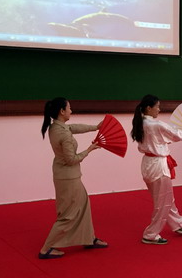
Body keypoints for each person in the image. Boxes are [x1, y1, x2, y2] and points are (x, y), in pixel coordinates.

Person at [38, 97, 108, 259]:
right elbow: (71, 160)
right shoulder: (64, 134)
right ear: (62, 111)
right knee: (68, 214)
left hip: (65, 174)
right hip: (68, 177)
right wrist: (90, 149)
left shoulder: (56, 127)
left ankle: (88, 238)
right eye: (69, 108)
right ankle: (46, 249)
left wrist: (95, 127)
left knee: (83, 204)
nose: (71, 110)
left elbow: (74, 127)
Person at [131, 94, 182, 245]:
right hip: (159, 166)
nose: (159, 110)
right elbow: (176, 134)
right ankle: (150, 234)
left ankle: (179, 224)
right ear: (149, 108)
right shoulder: (155, 125)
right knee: (163, 202)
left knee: (164, 198)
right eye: (157, 107)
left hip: (148, 164)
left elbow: (164, 137)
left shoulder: (140, 123)